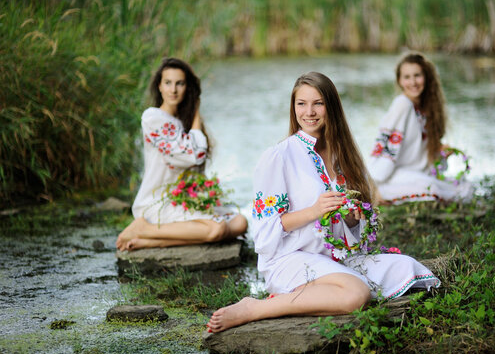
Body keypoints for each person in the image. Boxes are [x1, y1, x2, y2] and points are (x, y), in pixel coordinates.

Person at [207, 72, 439, 333]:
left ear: (331, 106)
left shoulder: (344, 155)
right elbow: (264, 233)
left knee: (406, 267)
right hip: (290, 258)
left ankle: (318, 289)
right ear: (293, 107)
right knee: (356, 294)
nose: (309, 112)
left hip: (334, 258)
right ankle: (256, 307)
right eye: (301, 103)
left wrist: (352, 219)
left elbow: (350, 232)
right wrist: (314, 211)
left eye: (318, 103)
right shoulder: (279, 157)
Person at [116, 58, 247, 251]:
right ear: (159, 86)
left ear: (188, 88)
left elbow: (195, 167)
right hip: (159, 203)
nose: (173, 90)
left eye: (180, 83)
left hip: (184, 202)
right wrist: (196, 114)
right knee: (217, 229)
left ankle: (150, 240)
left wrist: (194, 112)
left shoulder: (182, 121)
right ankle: (144, 227)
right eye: (167, 83)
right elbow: (192, 155)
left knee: (240, 222)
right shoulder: (153, 118)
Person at [368, 52, 474, 204]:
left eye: (417, 75)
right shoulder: (402, 104)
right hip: (392, 175)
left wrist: (440, 152)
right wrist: (374, 180)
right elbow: (385, 145)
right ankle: (381, 194)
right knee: (435, 189)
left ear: (426, 77)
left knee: (464, 187)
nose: (413, 82)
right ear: (399, 80)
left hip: (412, 173)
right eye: (407, 77)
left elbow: (417, 149)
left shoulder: (425, 109)